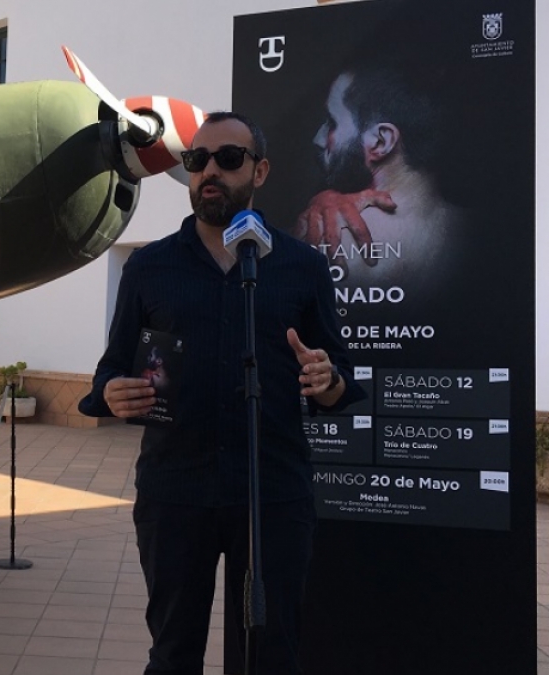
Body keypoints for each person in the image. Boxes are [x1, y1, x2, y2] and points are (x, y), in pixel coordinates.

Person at [79, 111, 365, 675]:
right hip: (174, 493)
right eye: (197, 160)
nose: (209, 171)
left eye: (228, 158)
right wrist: (111, 392)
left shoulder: (303, 267)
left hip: (272, 495)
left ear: (259, 171)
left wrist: (326, 379)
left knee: (271, 656)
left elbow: (340, 381)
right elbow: (110, 370)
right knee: (172, 656)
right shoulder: (149, 267)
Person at [295, 59, 466, 292]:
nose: (318, 139)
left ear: (380, 141)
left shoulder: (321, 245)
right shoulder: (478, 236)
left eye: (332, 123)